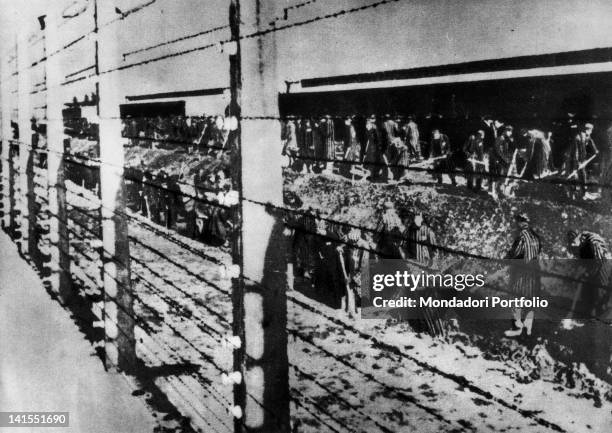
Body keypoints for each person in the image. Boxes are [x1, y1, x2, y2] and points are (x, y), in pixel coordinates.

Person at [504, 213, 542, 337]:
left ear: (521, 223)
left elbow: (515, 252)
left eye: (517, 222)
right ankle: (528, 329)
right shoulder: (536, 237)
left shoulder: (522, 235)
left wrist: (505, 259)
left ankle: (516, 328)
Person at [566, 230, 611, 321]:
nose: (572, 245)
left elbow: (598, 261)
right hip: (594, 267)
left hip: (603, 265)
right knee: (586, 294)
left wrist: (588, 273)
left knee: (600, 294)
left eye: (574, 242)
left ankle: (602, 317)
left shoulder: (591, 242)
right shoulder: (577, 247)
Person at [564, 123, 599, 199]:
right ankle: (570, 193)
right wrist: (577, 163)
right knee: (573, 175)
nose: (591, 132)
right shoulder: (578, 138)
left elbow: (591, 141)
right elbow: (575, 152)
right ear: (586, 130)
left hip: (581, 160)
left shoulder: (586, 136)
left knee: (582, 176)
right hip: (571, 159)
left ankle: (583, 193)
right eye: (590, 130)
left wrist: (595, 150)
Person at [489, 125, 514, 197]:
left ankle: (499, 190)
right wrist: (505, 159)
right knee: (496, 176)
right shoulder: (500, 139)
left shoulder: (506, 140)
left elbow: (505, 150)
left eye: (511, 131)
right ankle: (494, 191)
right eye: (509, 131)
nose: (510, 133)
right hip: (497, 160)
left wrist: (508, 157)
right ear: (505, 131)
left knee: (501, 176)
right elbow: (498, 151)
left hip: (502, 160)